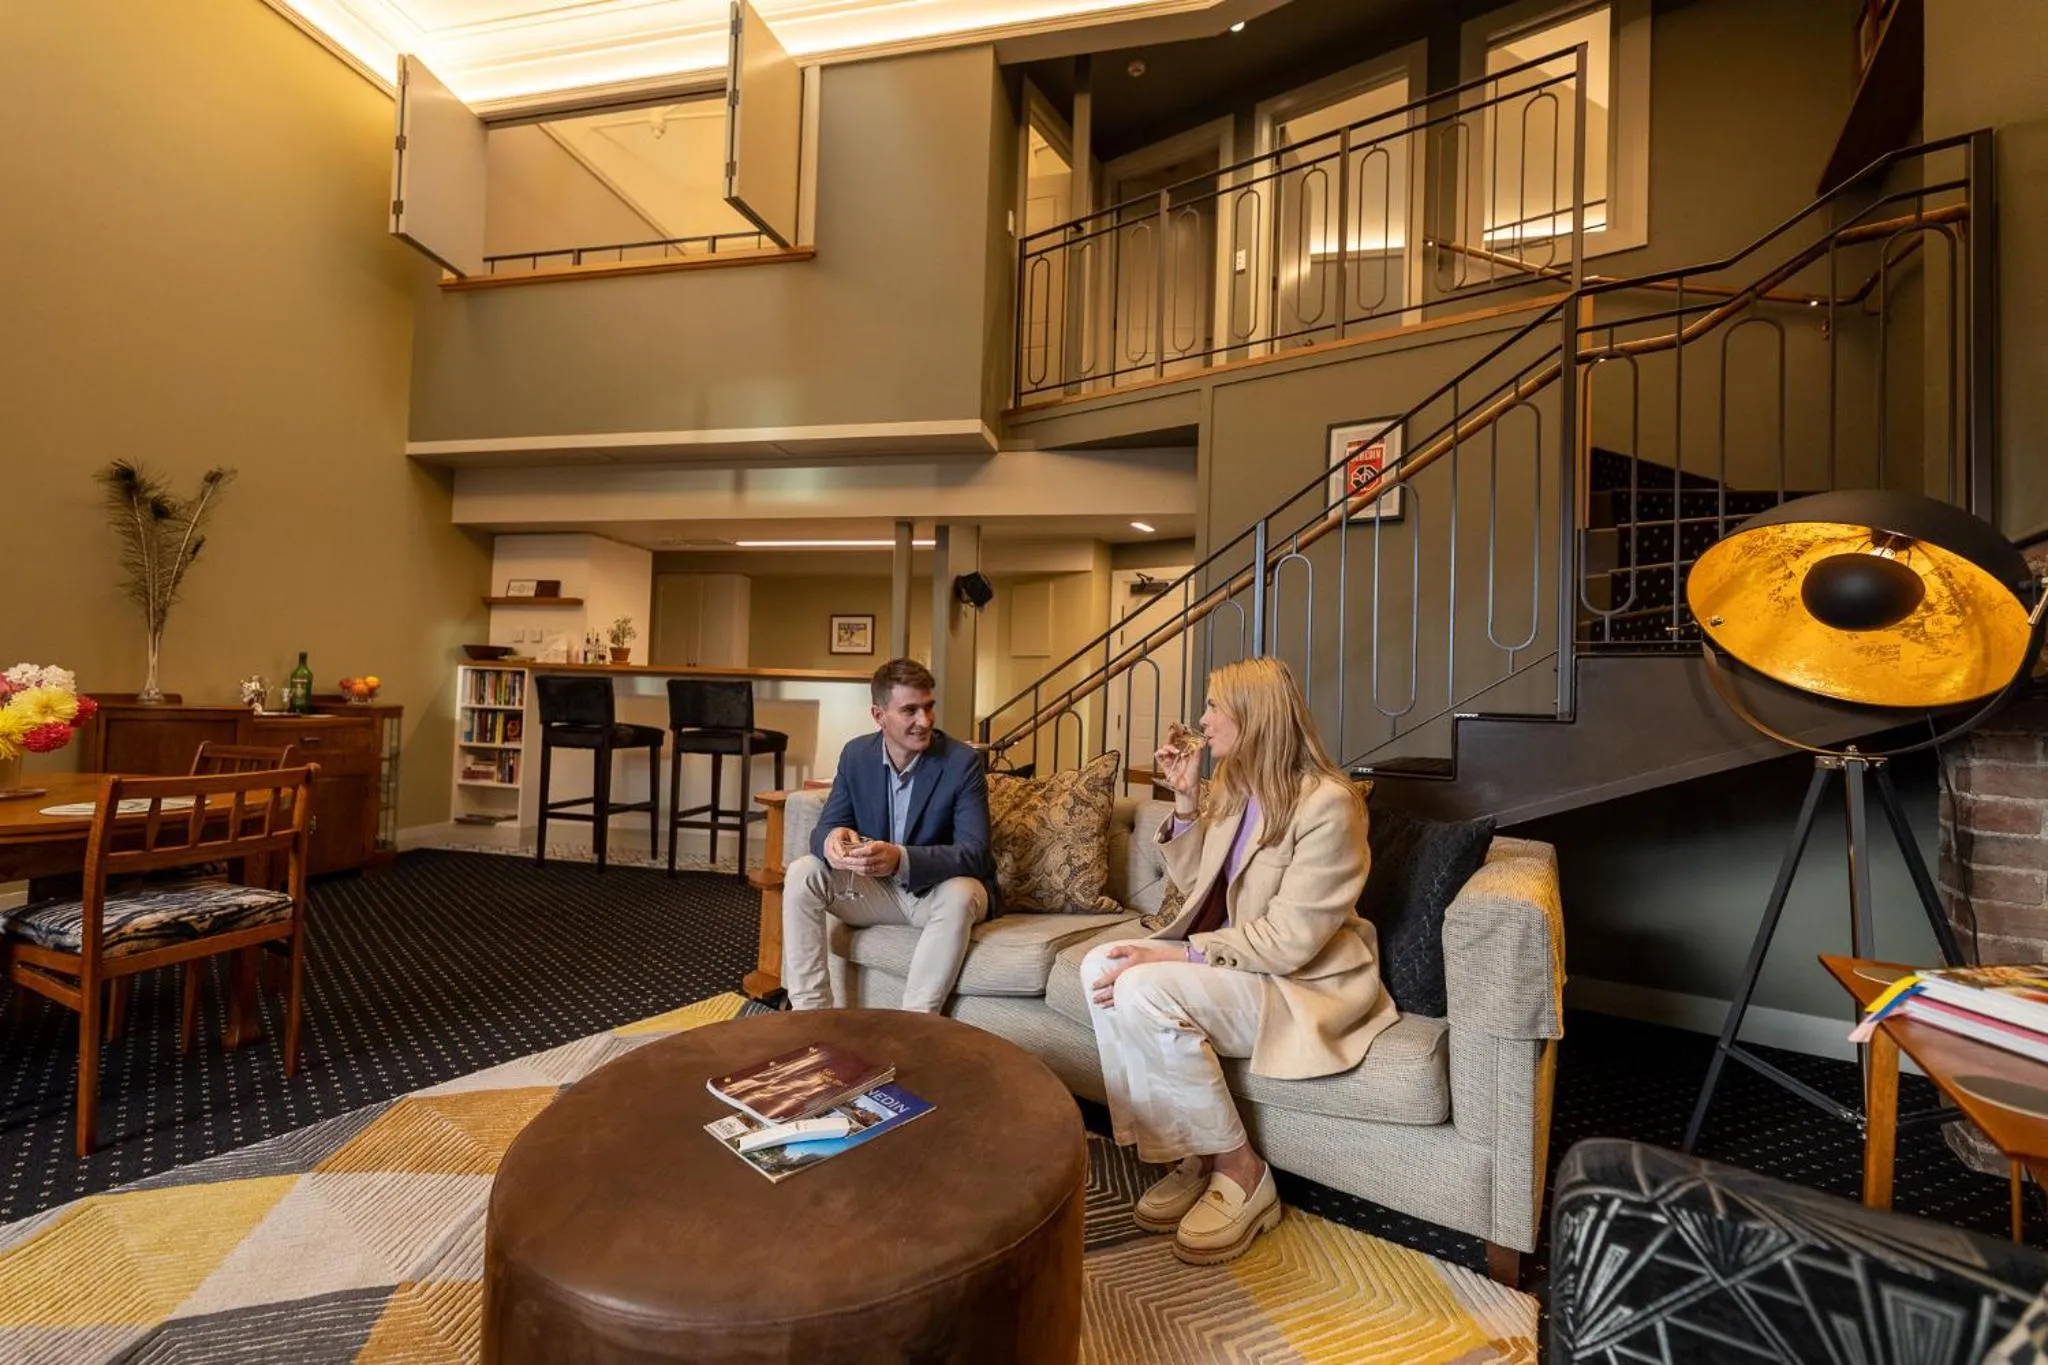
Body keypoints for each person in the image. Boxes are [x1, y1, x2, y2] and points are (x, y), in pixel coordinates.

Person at [1080, 656, 1395, 1265]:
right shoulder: (1235, 787)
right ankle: (1193, 1152)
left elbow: (1292, 940)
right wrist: (1187, 800)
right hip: (1237, 962)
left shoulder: (1330, 803)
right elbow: (1201, 884)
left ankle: (1241, 1170)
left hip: (1298, 982)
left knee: (1142, 986)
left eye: (1213, 706)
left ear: (1252, 716)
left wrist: (1175, 952)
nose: (1201, 719)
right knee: (1101, 965)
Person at [781, 657, 996, 1013]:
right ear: (879, 715)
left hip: (935, 894)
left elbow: (975, 854)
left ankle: (915, 1021)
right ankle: (810, 1014)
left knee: (961, 892)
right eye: (909, 710)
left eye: (928, 708)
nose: (923, 721)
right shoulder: (856, 755)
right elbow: (824, 828)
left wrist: (902, 858)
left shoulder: (961, 763)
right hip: (877, 892)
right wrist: (832, 841)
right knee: (803, 871)